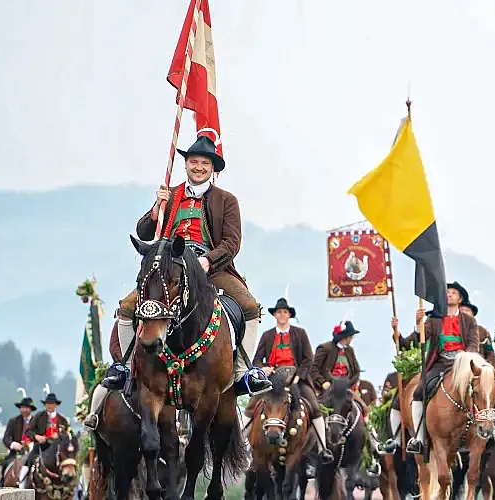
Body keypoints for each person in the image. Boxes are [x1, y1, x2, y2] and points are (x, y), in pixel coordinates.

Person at [86, 136, 270, 430]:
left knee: (249, 306)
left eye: (204, 163)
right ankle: (125, 367)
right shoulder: (169, 195)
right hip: (170, 265)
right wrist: (155, 211)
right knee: (128, 307)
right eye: (194, 162)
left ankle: (242, 371)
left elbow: (232, 242)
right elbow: (144, 232)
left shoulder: (227, 200)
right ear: (185, 164)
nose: (198, 167)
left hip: (209, 266)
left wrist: (208, 260)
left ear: (213, 168)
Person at [403, 282, 486, 455]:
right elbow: (421, 338)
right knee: (419, 391)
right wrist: (418, 324)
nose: (449, 295)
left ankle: (494, 427)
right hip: (440, 362)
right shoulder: (433, 320)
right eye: (447, 292)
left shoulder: (470, 321)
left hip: (463, 364)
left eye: (453, 292)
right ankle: (419, 438)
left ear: (460, 299)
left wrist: (465, 358)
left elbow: (473, 344)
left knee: (487, 386)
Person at [250, 297, 333, 463]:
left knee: (315, 408)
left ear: (289, 315)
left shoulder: (300, 333)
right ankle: (244, 447)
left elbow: (308, 359)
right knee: (251, 406)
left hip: (297, 379)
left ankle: (322, 448)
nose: (282, 315)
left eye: (285, 312)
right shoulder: (267, 335)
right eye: (279, 312)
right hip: (273, 381)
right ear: (275, 315)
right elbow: (257, 359)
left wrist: (298, 377)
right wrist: (264, 369)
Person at [19, 393, 69, 488]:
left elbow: (67, 435)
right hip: (41, 446)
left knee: (68, 461)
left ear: (56, 405)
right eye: (48, 403)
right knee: (29, 460)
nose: (49, 405)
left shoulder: (62, 419)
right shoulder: (39, 416)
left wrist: (58, 435)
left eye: (52, 403)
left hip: (57, 449)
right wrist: (36, 436)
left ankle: (69, 486)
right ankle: (22, 483)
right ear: (45, 405)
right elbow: (28, 431)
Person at [0, 397, 35, 486]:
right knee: (1, 468)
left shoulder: (36, 422)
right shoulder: (13, 421)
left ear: (31, 409)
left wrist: (31, 445)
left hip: (32, 454)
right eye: (22, 407)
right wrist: (14, 444)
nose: (24, 410)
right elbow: (6, 438)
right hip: (15, 454)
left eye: (26, 407)